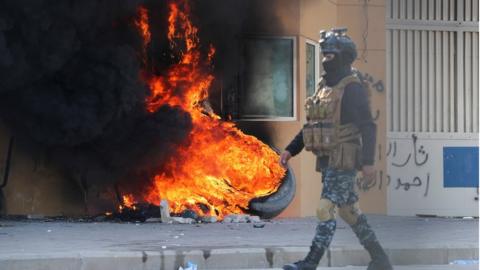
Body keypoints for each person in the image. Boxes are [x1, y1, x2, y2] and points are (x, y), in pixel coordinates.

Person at [280, 28, 393, 270]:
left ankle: (310, 263)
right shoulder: (324, 87)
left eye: (330, 55)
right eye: (324, 54)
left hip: (344, 159)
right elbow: (313, 125)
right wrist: (291, 150)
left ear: (343, 56)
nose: (325, 59)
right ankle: (381, 259)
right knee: (350, 212)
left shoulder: (353, 88)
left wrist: (368, 162)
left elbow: (368, 126)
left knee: (325, 209)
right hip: (329, 159)